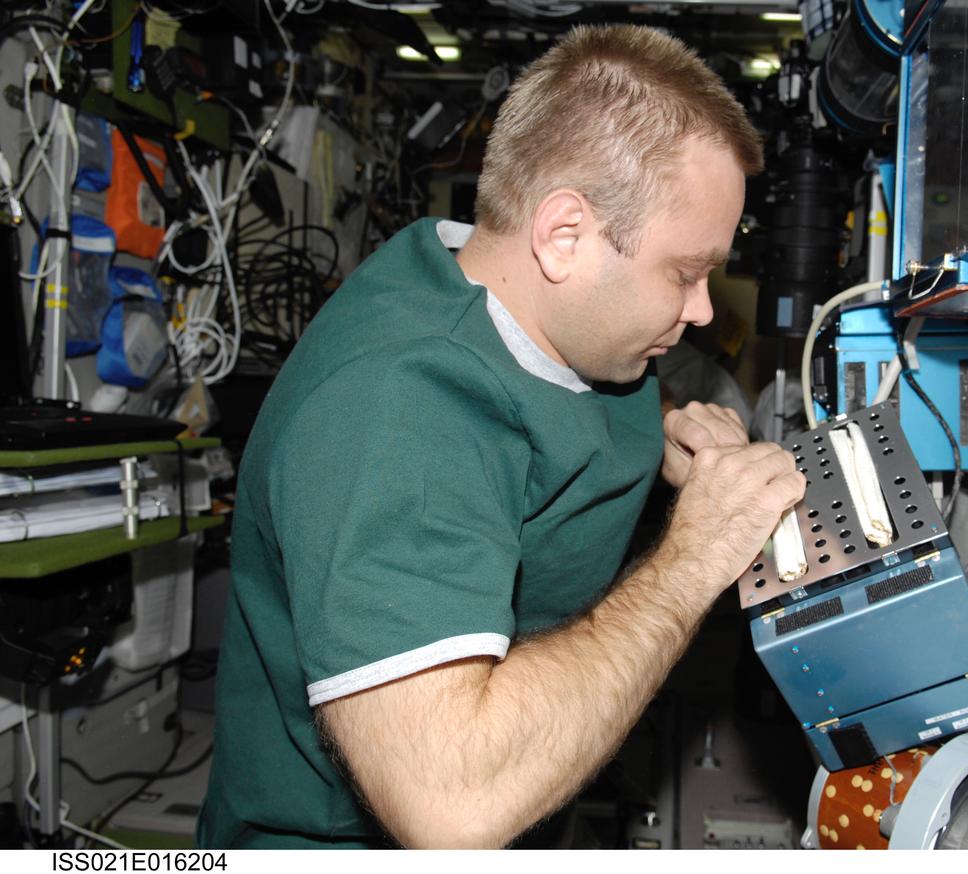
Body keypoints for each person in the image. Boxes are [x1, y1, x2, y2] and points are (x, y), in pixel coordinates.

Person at [196, 24, 804, 849]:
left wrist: (664, 436)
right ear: (564, 235)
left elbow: (537, 418)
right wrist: (695, 555)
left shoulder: (541, 310)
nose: (702, 309)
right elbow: (452, 806)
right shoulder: (395, 410)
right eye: (684, 272)